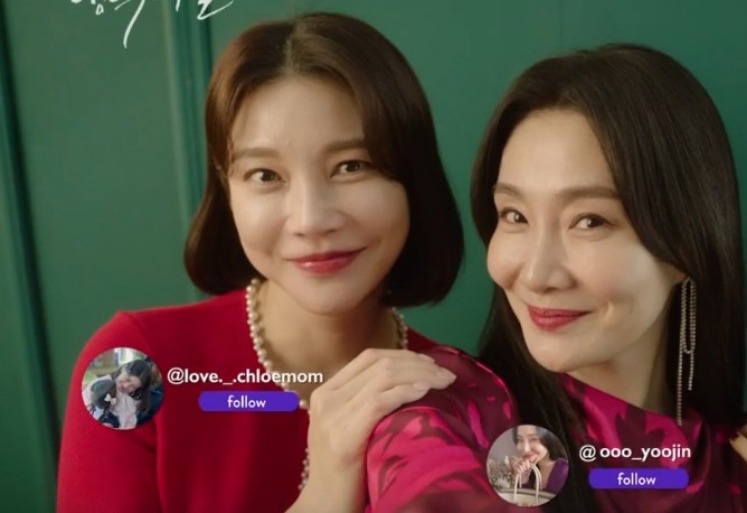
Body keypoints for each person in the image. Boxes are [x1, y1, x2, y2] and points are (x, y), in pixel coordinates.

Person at [57, 12, 464, 513]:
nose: (311, 220)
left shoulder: (463, 395)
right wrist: (325, 492)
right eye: (266, 175)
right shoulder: (131, 370)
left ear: (413, 179)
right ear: (226, 191)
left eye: (352, 166)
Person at [366, 44, 747, 512]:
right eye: (515, 215)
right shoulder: (443, 413)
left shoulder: (731, 466)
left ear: (687, 244)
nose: (536, 274)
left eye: (589, 221)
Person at [509, 425, 568, 495]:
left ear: (548, 439)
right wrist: (523, 480)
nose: (525, 449)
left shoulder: (564, 470)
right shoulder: (529, 470)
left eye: (533, 439)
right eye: (520, 439)